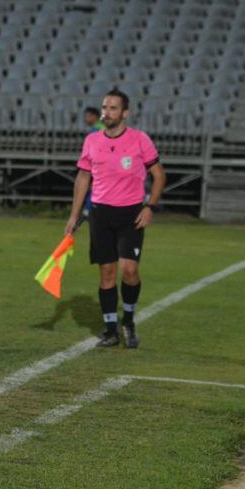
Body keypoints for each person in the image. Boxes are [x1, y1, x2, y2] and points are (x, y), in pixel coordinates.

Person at [67, 89, 166, 349]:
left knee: (129, 271)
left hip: (131, 214)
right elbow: (83, 178)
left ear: (125, 113)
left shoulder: (139, 140)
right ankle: (111, 328)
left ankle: (129, 320)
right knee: (107, 273)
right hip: (100, 214)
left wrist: (150, 207)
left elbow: (159, 175)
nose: (107, 112)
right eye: (105, 107)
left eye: (113, 108)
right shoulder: (92, 141)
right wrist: (75, 215)